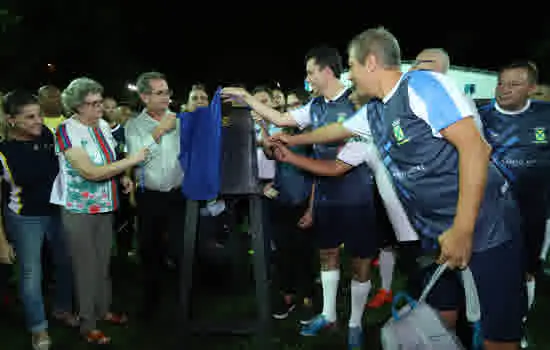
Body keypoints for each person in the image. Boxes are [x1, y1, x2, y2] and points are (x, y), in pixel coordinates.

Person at [270, 27, 525, 350]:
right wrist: (291, 140)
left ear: (371, 62)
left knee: (497, 334)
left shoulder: (421, 86)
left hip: (485, 227)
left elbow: (476, 149)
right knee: (439, 321)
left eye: (352, 65)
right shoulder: (376, 110)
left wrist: (463, 229)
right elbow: (335, 130)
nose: (349, 76)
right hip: (437, 234)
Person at [223, 46, 378, 349]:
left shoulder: (360, 101)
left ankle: (356, 322)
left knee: (361, 260)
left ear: (327, 71)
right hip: (325, 193)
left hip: (357, 194)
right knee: (327, 253)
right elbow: (281, 120)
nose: (307, 79)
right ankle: (329, 314)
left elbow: (342, 160)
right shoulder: (316, 106)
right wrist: (248, 98)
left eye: (310, 72)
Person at [51, 77, 148, 344]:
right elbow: (90, 172)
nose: (99, 109)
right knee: (85, 267)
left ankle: (103, 310)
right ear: (76, 107)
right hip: (78, 208)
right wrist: (131, 161)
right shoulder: (66, 131)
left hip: (106, 204)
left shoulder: (103, 125)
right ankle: (87, 324)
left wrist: (123, 176)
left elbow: (109, 161)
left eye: (99, 103)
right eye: (91, 105)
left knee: (103, 263)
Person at [479, 61, 550, 348]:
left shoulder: (546, 116)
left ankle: (518, 324)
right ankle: (484, 324)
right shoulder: (479, 117)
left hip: (533, 212)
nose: (504, 90)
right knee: (490, 271)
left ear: (532, 88)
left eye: (514, 84)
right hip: (491, 214)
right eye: (500, 83)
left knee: (527, 271)